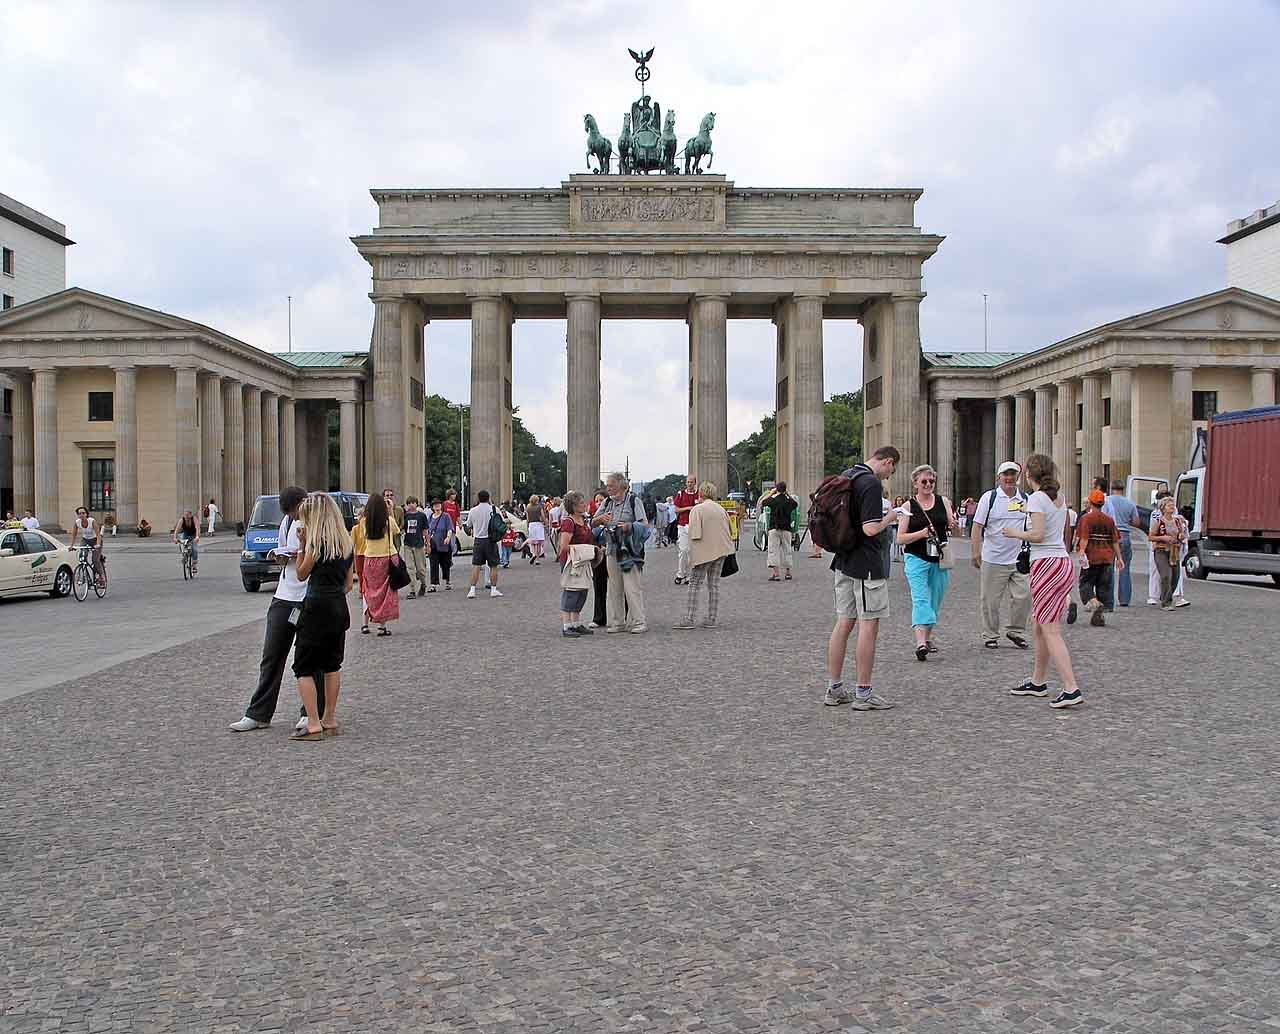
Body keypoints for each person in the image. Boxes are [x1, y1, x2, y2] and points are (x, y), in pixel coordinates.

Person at [1002, 453, 1083, 708]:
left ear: (1028, 475)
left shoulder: (1036, 499)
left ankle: (1071, 687)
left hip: (1046, 563)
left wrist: (1013, 532)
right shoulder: (1058, 498)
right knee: (1039, 623)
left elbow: (1037, 534)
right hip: (1061, 562)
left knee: (1050, 629)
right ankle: (1038, 682)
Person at [230, 486, 312, 732]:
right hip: (284, 594)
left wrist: (302, 550)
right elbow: (285, 552)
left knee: (307, 657)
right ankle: (259, 713)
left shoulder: (317, 524)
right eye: (289, 513)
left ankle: (310, 712)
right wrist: (281, 556)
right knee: (271, 655)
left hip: (308, 596)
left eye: (295, 511)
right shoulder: (286, 523)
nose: (293, 516)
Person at [823, 446, 899, 709]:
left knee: (843, 622)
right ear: (887, 461)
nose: (888, 476)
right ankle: (864, 693)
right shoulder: (870, 484)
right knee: (869, 624)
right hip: (866, 564)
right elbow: (870, 529)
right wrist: (891, 516)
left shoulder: (847, 475)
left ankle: (834, 688)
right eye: (891, 471)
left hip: (843, 560)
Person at [289, 492, 354, 741]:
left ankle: (313, 723)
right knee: (332, 665)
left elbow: (302, 574)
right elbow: (349, 584)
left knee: (304, 667)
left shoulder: (315, 545)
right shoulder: (346, 544)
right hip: (339, 607)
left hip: (315, 607)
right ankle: (330, 717)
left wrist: (302, 546)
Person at [896, 464, 957, 662]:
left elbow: (951, 525)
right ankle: (920, 643)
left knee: (935, 601)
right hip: (916, 558)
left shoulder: (944, 501)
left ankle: (927, 638)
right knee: (921, 599)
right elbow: (900, 538)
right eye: (924, 481)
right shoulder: (907, 507)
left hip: (939, 558)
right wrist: (921, 534)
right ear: (915, 484)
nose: (928, 484)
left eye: (931, 481)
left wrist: (953, 524)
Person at [970, 461, 1031, 650]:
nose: (1009, 478)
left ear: (1018, 477)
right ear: (999, 477)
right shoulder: (990, 498)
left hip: (1019, 557)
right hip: (993, 557)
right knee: (990, 600)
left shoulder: (1025, 499)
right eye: (1006, 475)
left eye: (1013, 475)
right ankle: (990, 634)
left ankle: (1016, 631)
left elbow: (1030, 526)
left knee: (1024, 596)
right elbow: (977, 526)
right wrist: (975, 552)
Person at [592, 472, 649, 633]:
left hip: (629, 549)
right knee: (614, 587)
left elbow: (644, 524)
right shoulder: (607, 502)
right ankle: (618, 621)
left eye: (611, 486)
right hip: (611, 548)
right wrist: (601, 518)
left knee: (632, 587)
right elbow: (593, 522)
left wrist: (628, 526)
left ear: (620, 485)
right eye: (607, 486)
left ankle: (639, 621)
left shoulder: (633, 500)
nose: (608, 489)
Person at [674, 481, 735, 629]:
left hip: (704, 552)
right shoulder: (721, 509)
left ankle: (689, 618)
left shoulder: (697, 509)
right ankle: (711, 618)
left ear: (700, 493)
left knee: (694, 584)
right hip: (722, 550)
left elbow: (695, 534)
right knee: (713, 585)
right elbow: (730, 531)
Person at [354, 492, 401, 635]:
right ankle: (382, 626)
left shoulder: (364, 522)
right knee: (386, 592)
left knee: (368, 590)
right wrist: (391, 511)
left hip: (370, 558)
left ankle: (365, 624)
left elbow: (363, 536)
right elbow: (397, 531)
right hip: (387, 558)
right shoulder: (388, 521)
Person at [1075, 489, 1123, 626]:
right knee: (1103, 587)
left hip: (1092, 557)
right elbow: (1115, 541)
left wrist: (1082, 552)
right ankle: (1099, 617)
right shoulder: (1109, 520)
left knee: (1085, 584)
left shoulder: (1086, 519)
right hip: (1107, 558)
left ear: (1090, 502)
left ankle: (1095, 603)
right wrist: (1119, 558)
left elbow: (1084, 538)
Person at [556, 490, 597, 637]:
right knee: (571, 591)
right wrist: (584, 549)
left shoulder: (583, 520)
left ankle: (575, 623)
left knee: (582, 591)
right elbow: (564, 545)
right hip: (572, 561)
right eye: (581, 503)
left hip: (582, 560)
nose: (585, 505)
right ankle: (567, 626)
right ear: (573, 506)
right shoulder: (569, 522)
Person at [1102, 480, 1143, 607]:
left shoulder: (1107, 501)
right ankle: (1124, 599)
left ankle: (1108, 598)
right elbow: (1136, 522)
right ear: (1123, 489)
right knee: (1124, 569)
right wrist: (1126, 521)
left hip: (1110, 535)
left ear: (1111, 488)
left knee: (1109, 569)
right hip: (1124, 536)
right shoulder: (1130, 503)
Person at [1147, 491, 1190, 608]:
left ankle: (1165, 595)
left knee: (1175, 576)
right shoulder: (1158, 521)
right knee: (1166, 575)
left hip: (1174, 551)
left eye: (1173, 505)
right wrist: (1163, 537)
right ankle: (1166, 602)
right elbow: (1150, 537)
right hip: (1161, 550)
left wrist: (1181, 536)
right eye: (1169, 505)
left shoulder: (1177, 521)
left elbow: (1182, 534)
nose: (1172, 507)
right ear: (1163, 508)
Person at [464, 490, 503, 598]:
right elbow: (501, 523)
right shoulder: (494, 509)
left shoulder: (473, 510)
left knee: (476, 566)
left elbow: (468, 525)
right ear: (488, 498)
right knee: (493, 566)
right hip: (491, 540)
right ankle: (493, 589)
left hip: (478, 540)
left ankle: (472, 590)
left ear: (478, 498)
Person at [761, 482, 799, 581]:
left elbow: (763, 502)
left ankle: (776, 573)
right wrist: (788, 494)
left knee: (773, 550)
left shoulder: (773, 500)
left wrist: (771, 493)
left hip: (774, 528)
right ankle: (788, 573)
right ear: (785, 490)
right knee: (787, 550)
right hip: (786, 529)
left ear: (777, 489)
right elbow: (795, 504)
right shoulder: (788, 501)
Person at [70, 506, 107, 586]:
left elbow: (98, 534)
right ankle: (83, 576)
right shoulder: (77, 522)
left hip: (95, 540)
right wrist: (71, 545)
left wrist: (97, 544)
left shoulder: (92, 521)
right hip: (85, 540)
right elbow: (74, 534)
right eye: (79, 513)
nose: (81, 515)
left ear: (86, 514)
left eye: (83, 513)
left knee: (95, 560)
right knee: (82, 557)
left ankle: (101, 576)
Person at [672, 475, 699, 585]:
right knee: (683, 550)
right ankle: (680, 574)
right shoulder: (680, 494)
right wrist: (688, 508)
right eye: (688, 482)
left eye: (691, 482)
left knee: (691, 552)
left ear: (695, 483)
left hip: (694, 525)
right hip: (683, 525)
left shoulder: (699, 495)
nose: (689, 484)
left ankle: (688, 575)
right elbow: (676, 509)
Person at [589, 489, 610, 628]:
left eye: (601, 500)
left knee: (619, 587)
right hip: (598, 556)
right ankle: (599, 618)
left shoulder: (613, 516)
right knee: (599, 588)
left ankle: (624, 615)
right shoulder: (592, 520)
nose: (598, 503)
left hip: (612, 553)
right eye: (596, 501)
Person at [401, 496, 429, 598]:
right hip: (408, 544)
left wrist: (428, 544)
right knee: (410, 568)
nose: (411, 505)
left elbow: (425, 531)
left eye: (413, 503)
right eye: (409, 503)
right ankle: (412, 590)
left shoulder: (422, 516)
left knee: (420, 569)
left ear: (417, 504)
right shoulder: (406, 516)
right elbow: (402, 528)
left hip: (419, 545)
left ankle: (423, 584)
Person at [426, 499, 454, 590]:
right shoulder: (430, 517)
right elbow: (427, 531)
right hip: (433, 544)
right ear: (432, 507)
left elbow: (450, 528)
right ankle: (433, 584)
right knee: (433, 564)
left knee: (445, 564)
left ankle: (447, 582)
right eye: (435, 505)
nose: (437, 506)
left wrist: (448, 537)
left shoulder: (446, 516)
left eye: (438, 505)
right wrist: (427, 542)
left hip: (444, 544)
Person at [170, 510, 200, 576]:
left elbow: (197, 528)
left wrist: (197, 537)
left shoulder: (194, 519)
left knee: (194, 549)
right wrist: (175, 538)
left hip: (193, 535)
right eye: (185, 516)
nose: (187, 518)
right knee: (182, 544)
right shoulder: (182, 520)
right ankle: (185, 556)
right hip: (185, 535)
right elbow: (177, 530)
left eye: (188, 516)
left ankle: (194, 565)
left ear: (191, 515)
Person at [383, 488, 405, 553]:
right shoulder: (381, 509)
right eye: (387, 495)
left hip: (396, 539)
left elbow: (402, 523)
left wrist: (398, 529)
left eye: (391, 495)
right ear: (384, 497)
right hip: (385, 539)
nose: (389, 497)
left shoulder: (399, 509)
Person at [526, 494, 546, 565]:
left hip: (531, 525)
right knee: (538, 543)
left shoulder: (528, 507)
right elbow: (543, 516)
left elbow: (527, 518)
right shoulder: (539, 507)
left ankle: (533, 553)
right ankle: (537, 559)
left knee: (533, 542)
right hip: (538, 525)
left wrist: (527, 526)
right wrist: (545, 523)